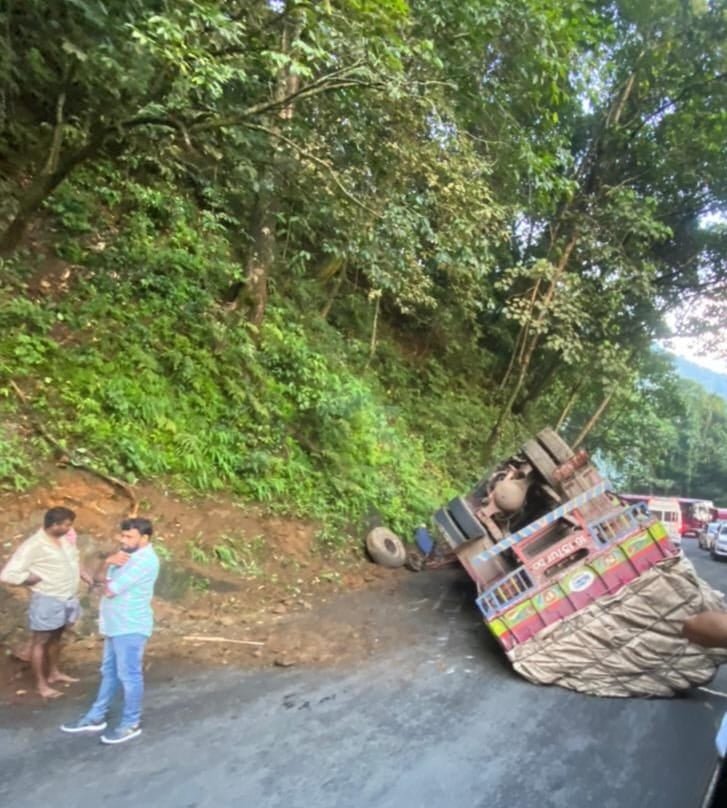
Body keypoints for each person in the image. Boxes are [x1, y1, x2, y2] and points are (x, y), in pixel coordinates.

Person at [61, 517, 160, 744]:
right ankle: (96, 716)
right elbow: (96, 582)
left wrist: (106, 567)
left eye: (129, 537)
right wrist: (107, 564)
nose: (123, 540)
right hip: (115, 624)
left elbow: (109, 590)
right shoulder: (124, 555)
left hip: (131, 625)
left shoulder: (145, 561)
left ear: (145, 538)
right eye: (122, 535)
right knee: (109, 671)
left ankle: (130, 723)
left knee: (129, 675)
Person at [0, 507, 91, 699]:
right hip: (47, 599)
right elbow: (8, 574)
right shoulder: (34, 545)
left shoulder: (64, 541)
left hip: (66, 597)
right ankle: (41, 684)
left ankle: (54, 673)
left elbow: (74, 560)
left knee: (57, 637)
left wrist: (83, 575)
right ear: (55, 525)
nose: (69, 528)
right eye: (66, 524)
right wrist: (28, 578)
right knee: (40, 641)